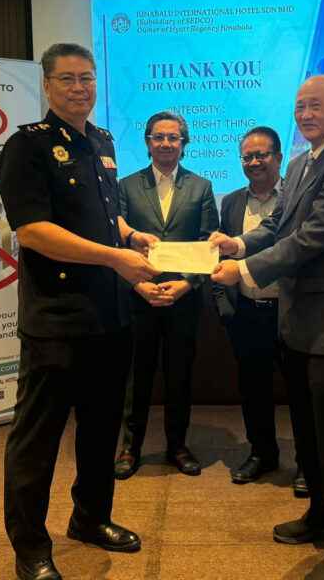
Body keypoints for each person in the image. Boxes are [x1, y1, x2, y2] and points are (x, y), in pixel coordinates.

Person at [0, 43, 159, 580]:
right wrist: (115, 256)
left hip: (109, 317)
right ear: (46, 85)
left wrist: (131, 235)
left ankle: (90, 518)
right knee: (37, 440)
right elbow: (33, 232)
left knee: (100, 431)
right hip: (57, 320)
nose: (79, 88)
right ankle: (30, 548)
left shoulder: (102, 141)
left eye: (87, 78)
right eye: (67, 79)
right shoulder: (27, 147)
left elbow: (103, 215)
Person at [211, 75, 324, 580]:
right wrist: (238, 244)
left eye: (316, 106)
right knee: (309, 432)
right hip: (298, 322)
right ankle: (321, 517)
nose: (306, 114)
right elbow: (277, 225)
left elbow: (312, 236)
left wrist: (244, 269)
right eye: (300, 106)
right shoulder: (303, 163)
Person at [114, 111, 219, 478]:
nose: (166, 143)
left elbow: (209, 244)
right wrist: (138, 285)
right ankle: (130, 448)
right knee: (135, 377)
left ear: (184, 143)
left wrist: (186, 284)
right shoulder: (125, 186)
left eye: (173, 137)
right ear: (147, 142)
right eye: (158, 137)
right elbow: (116, 243)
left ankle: (178, 445)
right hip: (137, 297)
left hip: (183, 300)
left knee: (179, 376)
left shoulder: (201, 187)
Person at [211, 126, 306, 495]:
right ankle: (262, 453)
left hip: (291, 310)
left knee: (301, 390)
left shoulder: (297, 196)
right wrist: (227, 309)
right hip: (248, 312)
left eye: (261, 155)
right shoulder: (232, 202)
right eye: (247, 156)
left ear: (279, 158)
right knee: (253, 389)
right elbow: (222, 255)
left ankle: (307, 463)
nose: (254, 162)